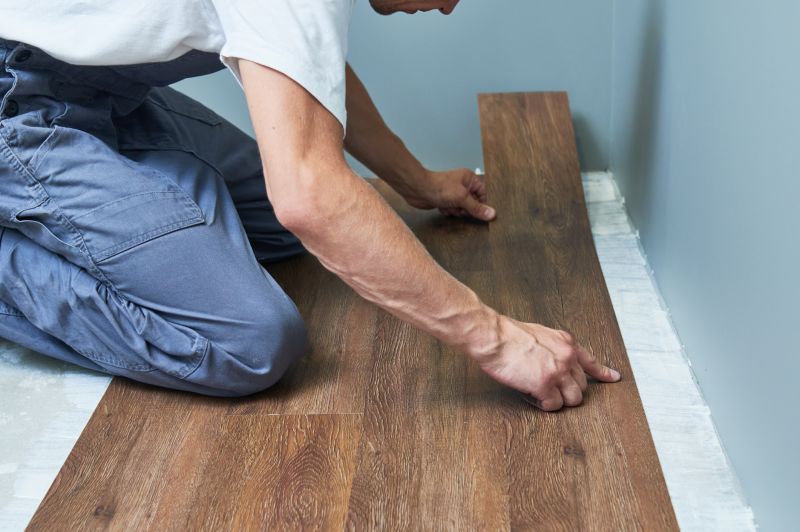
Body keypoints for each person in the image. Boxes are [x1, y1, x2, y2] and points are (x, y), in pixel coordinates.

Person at [0, 0, 620, 410]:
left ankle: (120, 201)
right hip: (18, 101)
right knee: (251, 342)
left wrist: (416, 182)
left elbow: (305, 67)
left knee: (290, 233)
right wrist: (496, 339)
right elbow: (309, 198)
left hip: (101, 93)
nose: (452, 4)